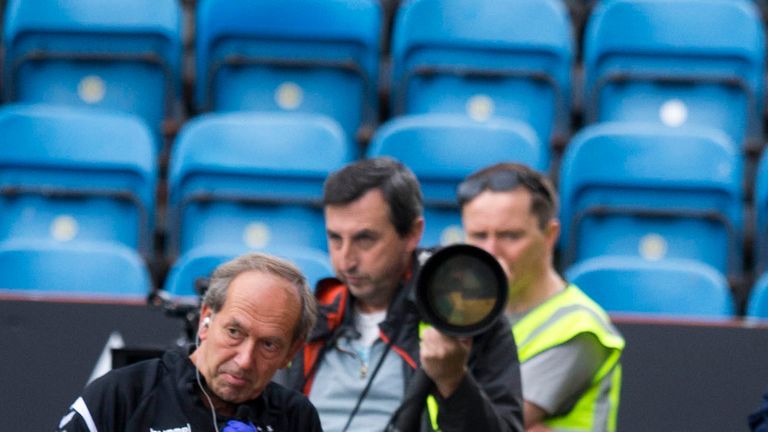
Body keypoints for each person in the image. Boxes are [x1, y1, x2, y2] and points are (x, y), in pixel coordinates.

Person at [283, 157, 524, 432]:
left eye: (364, 239)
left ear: (412, 233)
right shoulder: (314, 315)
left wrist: (454, 381)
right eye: (335, 238)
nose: (346, 260)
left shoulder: (467, 322)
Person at [56, 253, 323, 432]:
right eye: (234, 332)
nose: (244, 360)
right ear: (206, 318)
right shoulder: (121, 395)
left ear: (292, 351)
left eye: (268, 345)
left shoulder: (296, 418)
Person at [458, 162, 625, 432]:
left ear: (550, 235)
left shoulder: (579, 328)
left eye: (510, 236)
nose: (491, 251)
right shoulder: (449, 308)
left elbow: (489, 426)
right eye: (478, 236)